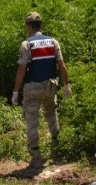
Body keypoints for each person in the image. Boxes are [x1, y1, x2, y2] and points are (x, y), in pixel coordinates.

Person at [11, 11, 71, 169]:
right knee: (51, 114)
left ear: (29, 26)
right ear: (40, 25)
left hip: (32, 88)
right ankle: (56, 147)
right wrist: (66, 85)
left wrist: (15, 92)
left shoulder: (27, 45)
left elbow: (22, 70)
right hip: (50, 86)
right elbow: (62, 65)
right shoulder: (53, 42)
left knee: (31, 120)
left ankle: (36, 155)